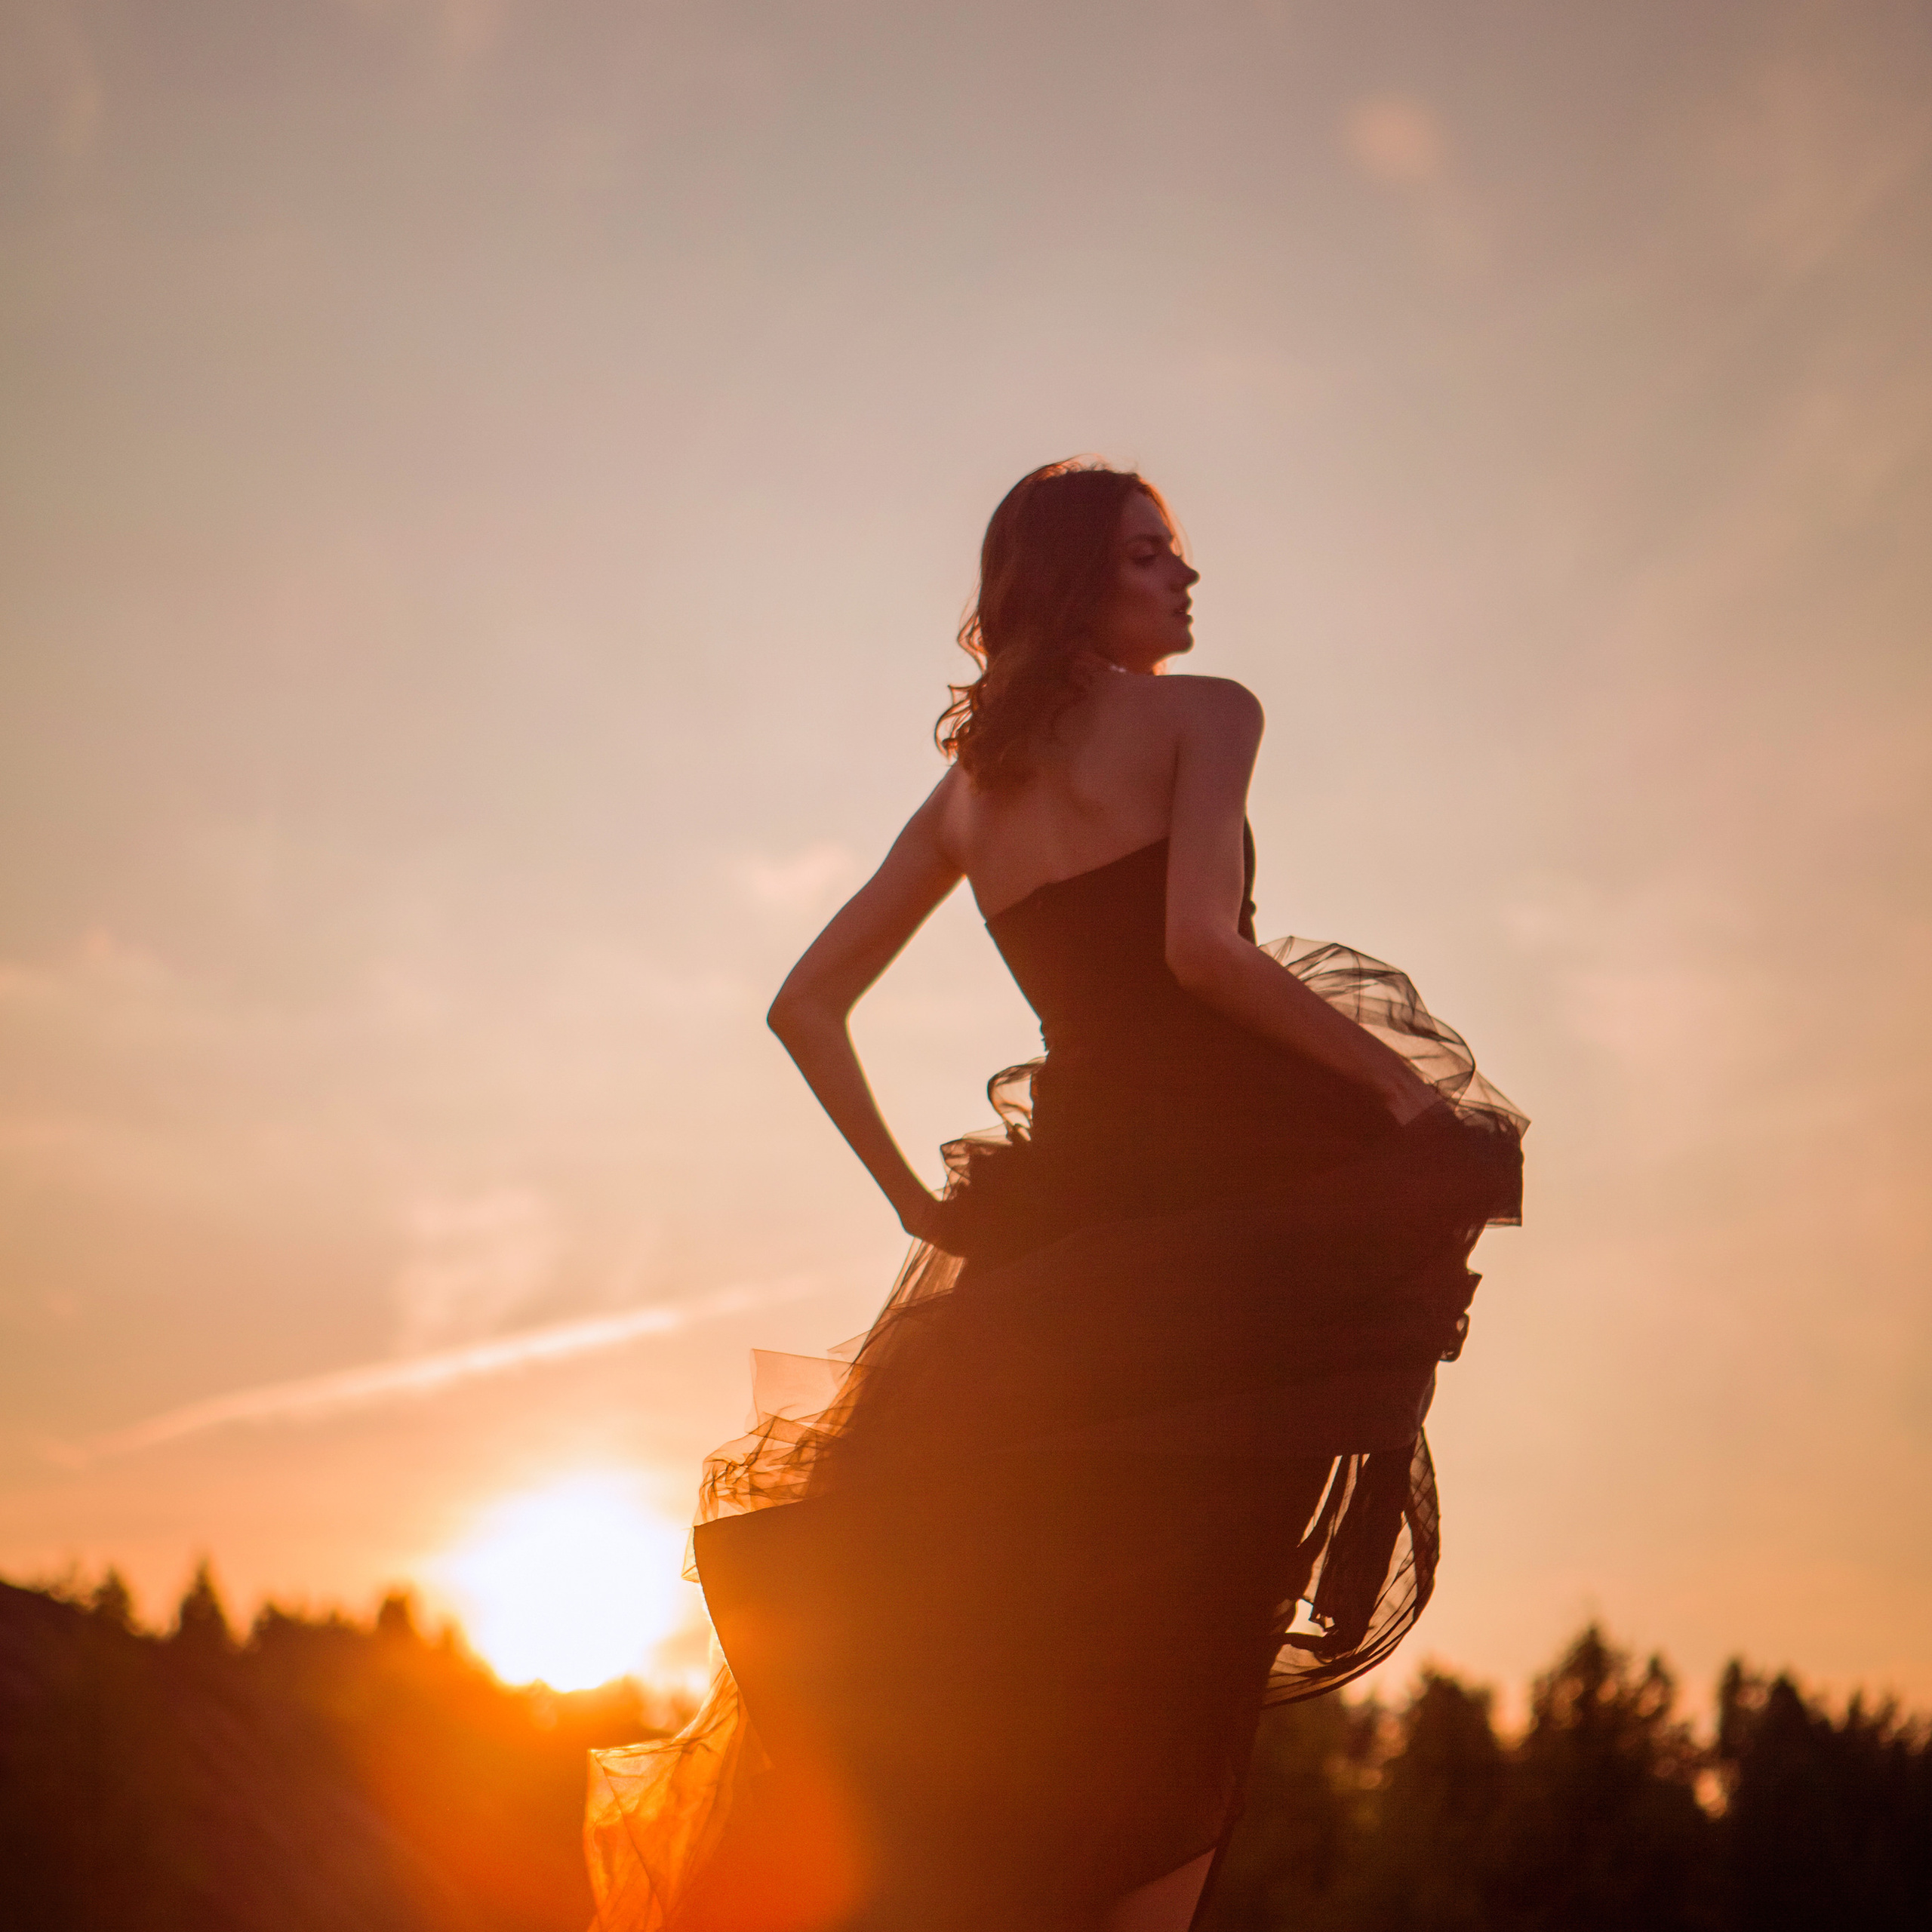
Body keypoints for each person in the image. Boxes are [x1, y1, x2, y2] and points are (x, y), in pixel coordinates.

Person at [586, 460, 1525, 1932]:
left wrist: (912, 1197)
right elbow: (1203, 951)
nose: (1185, 577)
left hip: (1061, 1235)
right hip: (1228, 1209)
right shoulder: (1209, 714)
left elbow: (804, 1005)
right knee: (1187, 1639)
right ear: (1081, 581)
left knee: (1032, 1635)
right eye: (1151, 555)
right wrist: (1397, 1092)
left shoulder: (969, 799)